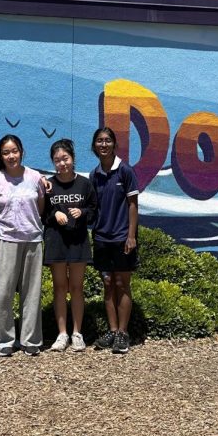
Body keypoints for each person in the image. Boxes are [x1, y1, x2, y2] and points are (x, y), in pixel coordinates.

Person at [0, 134, 48, 357]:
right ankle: (4, 340)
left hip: (32, 240)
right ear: (1, 156)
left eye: (14, 151)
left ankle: (31, 340)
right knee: (3, 292)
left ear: (21, 151)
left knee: (31, 292)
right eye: (6, 152)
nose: (11, 156)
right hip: (5, 240)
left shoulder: (35, 178)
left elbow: (40, 208)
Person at [43, 139, 97, 351]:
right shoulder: (48, 185)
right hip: (56, 241)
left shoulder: (84, 184)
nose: (62, 163)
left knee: (76, 287)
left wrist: (82, 212)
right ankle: (62, 333)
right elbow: (41, 212)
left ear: (73, 159)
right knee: (59, 287)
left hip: (78, 242)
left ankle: (77, 333)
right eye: (57, 160)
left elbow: (94, 210)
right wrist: (53, 212)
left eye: (65, 158)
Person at [90, 126, 140, 355]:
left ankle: (123, 332)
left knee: (122, 284)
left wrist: (131, 236)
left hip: (122, 238)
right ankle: (111, 331)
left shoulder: (125, 172)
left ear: (114, 144)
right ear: (94, 146)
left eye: (107, 140)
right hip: (101, 238)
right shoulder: (94, 175)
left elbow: (133, 205)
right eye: (99, 141)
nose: (103, 144)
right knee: (108, 285)